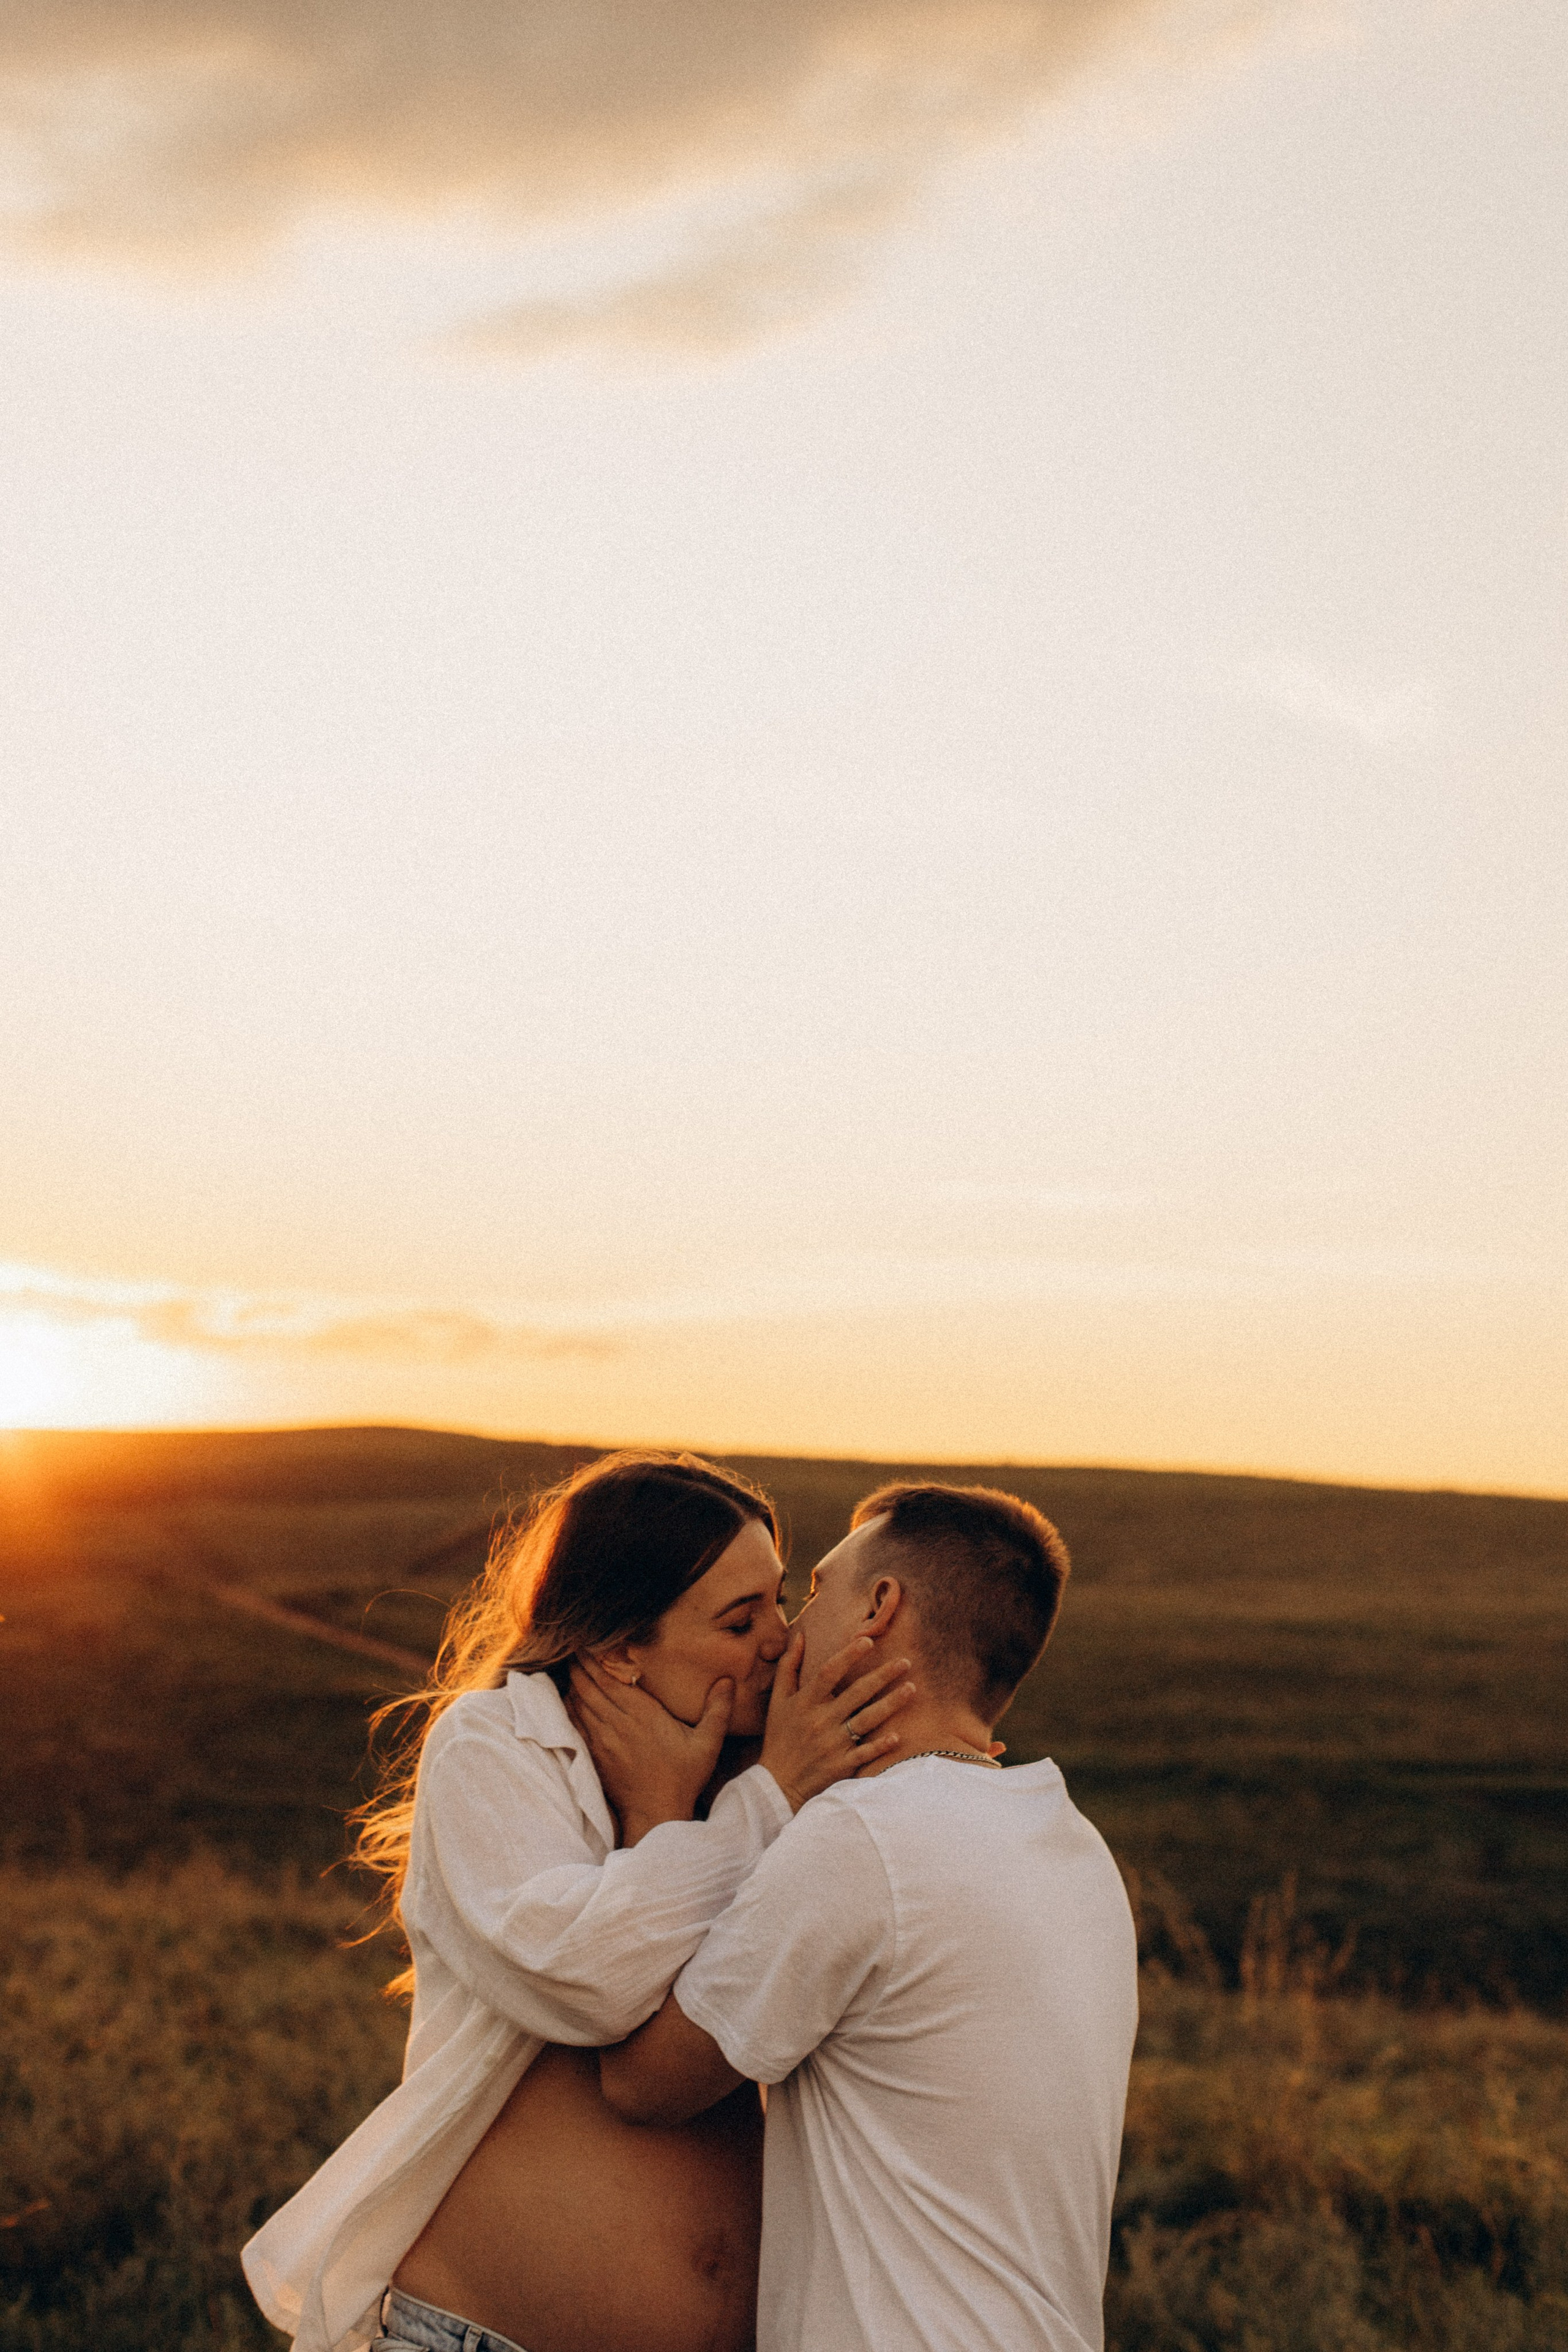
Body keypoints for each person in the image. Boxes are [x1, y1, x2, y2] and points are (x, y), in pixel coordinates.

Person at [242, 1450, 917, 2352]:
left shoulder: (768, 1768)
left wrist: (704, 1802)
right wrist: (725, 1808)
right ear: (621, 1646)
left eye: (781, 1602)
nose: (781, 1640)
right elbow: (589, 1980)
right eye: (738, 1618)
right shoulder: (495, 1747)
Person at [600, 1482, 1139, 2352]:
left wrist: (656, 1815)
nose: (785, 1636)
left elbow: (646, 2084)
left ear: (880, 1610)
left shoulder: (864, 1839)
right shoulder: (1077, 1853)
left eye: (815, 1592)